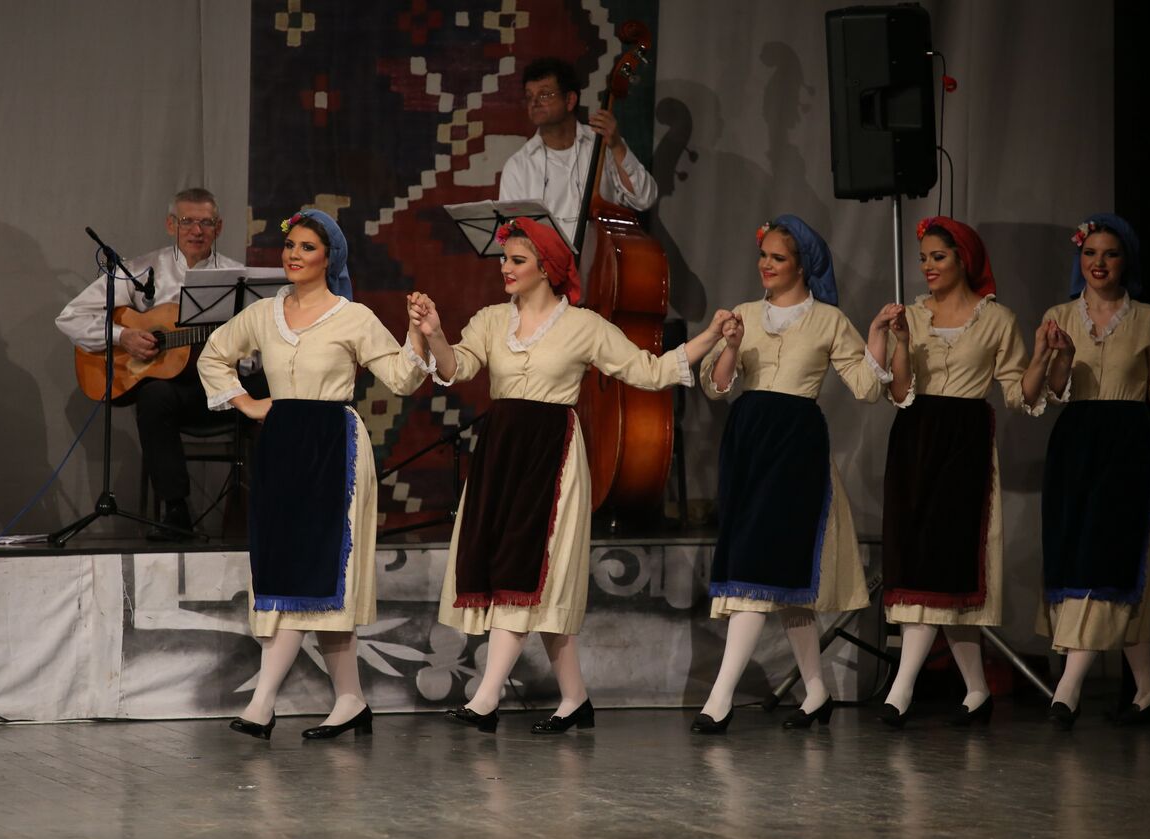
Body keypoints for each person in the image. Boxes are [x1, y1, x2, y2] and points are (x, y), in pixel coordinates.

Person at [406, 217, 729, 734]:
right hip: (501, 452)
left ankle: (485, 700)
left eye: (517, 260)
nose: (506, 268)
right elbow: (455, 368)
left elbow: (648, 372)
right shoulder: (492, 320)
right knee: (530, 581)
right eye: (505, 259)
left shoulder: (584, 327)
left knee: (527, 571)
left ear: (547, 269)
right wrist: (436, 334)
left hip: (550, 455)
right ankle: (575, 699)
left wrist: (709, 336)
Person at [197, 209, 431, 740]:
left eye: (307, 247)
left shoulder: (353, 317)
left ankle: (262, 703)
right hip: (282, 448)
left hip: (333, 449)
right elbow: (214, 355)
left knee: (321, 572)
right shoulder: (265, 313)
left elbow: (400, 378)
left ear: (330, 258)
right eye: (290, 246)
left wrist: (417, 335)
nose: (293, 255)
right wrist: (248, 403)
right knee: (288, 570)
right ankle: (351, 700)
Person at [691, 216, 895, 734]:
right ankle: (818, 692)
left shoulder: (828, 320)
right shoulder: (743, 314)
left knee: (758, 574)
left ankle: (719, 699)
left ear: (802, 265)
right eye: (763, 255)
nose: (766, 264)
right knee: (779, 581)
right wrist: (731, 345)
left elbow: (867, 388)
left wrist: (875, 335)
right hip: (749, 445)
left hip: (795, 451)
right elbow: (716, 386)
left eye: (777, 257)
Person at [1036, 214, 1150, 729]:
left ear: (1125, 261)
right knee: (1079, 557)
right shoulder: (1059, 316)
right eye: (1090, 253)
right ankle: (1148, 686)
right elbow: (1052, 392)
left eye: (1110, 253)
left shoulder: (1148, 319)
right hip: (1075, 447)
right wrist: (1061, 360)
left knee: (1110, 558)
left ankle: (1067, 690)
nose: (1099, 263)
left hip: (1128, 448)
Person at [873, 216, 1050, 727]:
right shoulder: (913, 315)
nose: (927, 266)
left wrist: (1041, 356)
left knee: (945, 564)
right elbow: (899, 393)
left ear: (963, 259)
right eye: (924, 258)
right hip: (915, 440)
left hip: (964, 445)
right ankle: (976, 690)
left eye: (938, 257)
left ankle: (900, 689)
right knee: (924, 568)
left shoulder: (997, 320)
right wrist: (900, 342)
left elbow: (1019, 393)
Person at [56, 187, 265, 538]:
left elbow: (256, 354)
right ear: (171, 225)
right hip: (179, 396)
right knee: (154, 396)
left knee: (277, 387)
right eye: (187, 221)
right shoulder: (140, 271)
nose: (196, 231)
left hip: (228, 392)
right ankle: (176, 511)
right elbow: (70, 317)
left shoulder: (238, 278)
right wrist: (123, 336)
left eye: (206, 223)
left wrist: (243, 351)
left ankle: (272, 514)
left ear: (219, 227)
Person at [499, 57, 658, 245]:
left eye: (544, 94)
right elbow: (510, 242)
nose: (534, 102)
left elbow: (644, 199)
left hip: (604, 260)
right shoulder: (518, 166)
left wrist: (616, 145)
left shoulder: (603, 144)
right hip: (547, 264)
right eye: (529, 96)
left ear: (569, 100)